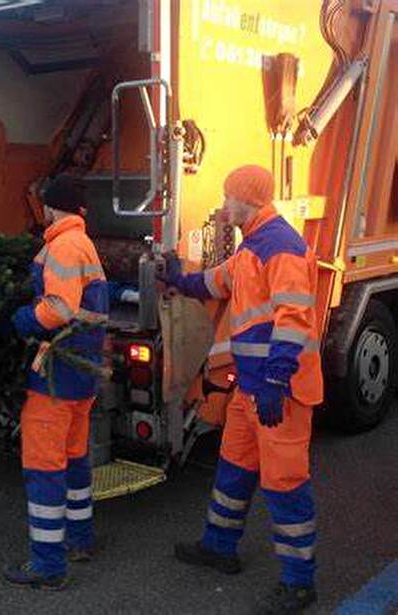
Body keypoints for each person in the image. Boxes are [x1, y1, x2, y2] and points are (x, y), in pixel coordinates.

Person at [161, 165, 322, 613]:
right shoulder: (253, 246)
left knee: (285, 485)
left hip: (280, 394)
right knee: (232, 471)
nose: (222, 204)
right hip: (252, 391)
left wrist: (275, 379)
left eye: (228, 197)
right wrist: (178, 277)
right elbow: (218, 282)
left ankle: (299, 584)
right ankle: (219, 546)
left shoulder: (282, 248)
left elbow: (294, 318)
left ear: (248, 201)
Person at [4, 175, 109, 590]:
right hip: (80, 372)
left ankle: (48, 565)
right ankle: (80, 539)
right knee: (74, 458)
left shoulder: (63, 245)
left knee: (44, 468)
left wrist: (21, 320)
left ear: (50, 208)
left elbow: (60, 308)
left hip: (57, 374)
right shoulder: (83, 242)